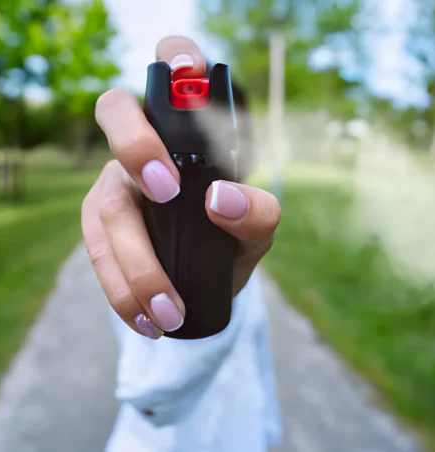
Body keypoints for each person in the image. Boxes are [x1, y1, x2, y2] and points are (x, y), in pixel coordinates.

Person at [81, 35, 283, 452]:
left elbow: (257, 373)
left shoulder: (239, 235)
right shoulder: (141, 233)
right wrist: (131, 187)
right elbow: (158, 392)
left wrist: (268, 434)